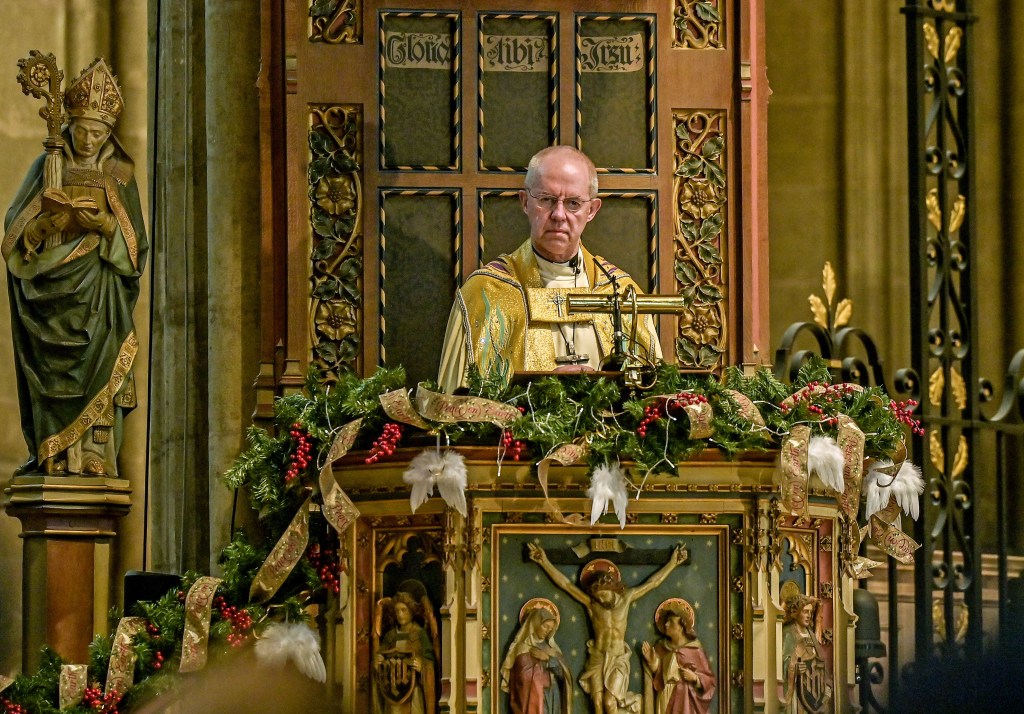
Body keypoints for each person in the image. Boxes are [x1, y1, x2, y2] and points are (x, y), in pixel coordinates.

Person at [3, 58, 148, 477]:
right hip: (50, 294)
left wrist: (103, 224)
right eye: (82, 129)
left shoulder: (119, 175)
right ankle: (53, 452)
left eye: (98, 132)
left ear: (110, 134)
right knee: (50, 375)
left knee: (99, 368)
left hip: (97, 295)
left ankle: (92, 454)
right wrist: (47, 225)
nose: (88, 139)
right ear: (70, 126)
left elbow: (138, 247)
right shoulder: (47, 165)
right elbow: (15, 234)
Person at [437, 145, 661, 393]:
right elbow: (458, 409)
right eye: (546, 199)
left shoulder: (620, 293)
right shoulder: (486, 293)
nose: (559, 214)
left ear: (592, 210)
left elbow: (652, 397)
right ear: (525, 202)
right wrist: (539, 394)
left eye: (573, 203)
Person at [527, 544, 687, 714]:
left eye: (602, 595)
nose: (600, 600)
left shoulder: (627, 598)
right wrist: (544, 562)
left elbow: (652, 583)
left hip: (618, 658)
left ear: (611, 588)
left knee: (610, 703)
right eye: (597, 597)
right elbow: (565, 585)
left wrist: (672, 564)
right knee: (596, 703)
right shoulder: (592, 604)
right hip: (597, 657)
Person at [641, 599, 716, 714]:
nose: (666, 624)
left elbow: (710, 682)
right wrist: (653, 664)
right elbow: (661, 676)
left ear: (682, 625)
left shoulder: (695, 651)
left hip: (685, 700)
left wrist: (695, 678)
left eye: (671, 621)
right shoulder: (661, 647)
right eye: (666, 621)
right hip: (664, 696)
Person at [500, 602, 573, 714]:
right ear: (535, 623)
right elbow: (522, 679)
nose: (547, 631)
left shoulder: (552, 650)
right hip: (533, 700)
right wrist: (543, 675)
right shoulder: (522, 648)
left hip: (553, 698)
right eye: (545, 626)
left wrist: (549, 660)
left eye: (550, 629)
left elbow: (564, 678)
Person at [373, 589, 438, 714]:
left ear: (411, 611)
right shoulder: (390, 636)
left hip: (413, 692)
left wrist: (422, 666)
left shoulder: (420, 634)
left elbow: (430, 661)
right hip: (392, 694)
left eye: (404, 610)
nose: (400, 614)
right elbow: (380, 660)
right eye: (397, 611)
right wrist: (378, 663)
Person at [781, 594, 833, 714]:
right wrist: (793, 668)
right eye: (805, 612)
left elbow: (819, 660)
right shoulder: (788, 633)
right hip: (795, 694)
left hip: (811, 691)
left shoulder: (811, 634)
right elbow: (780, 661)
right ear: (795, 613)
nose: (809, 616)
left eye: (810, 612)